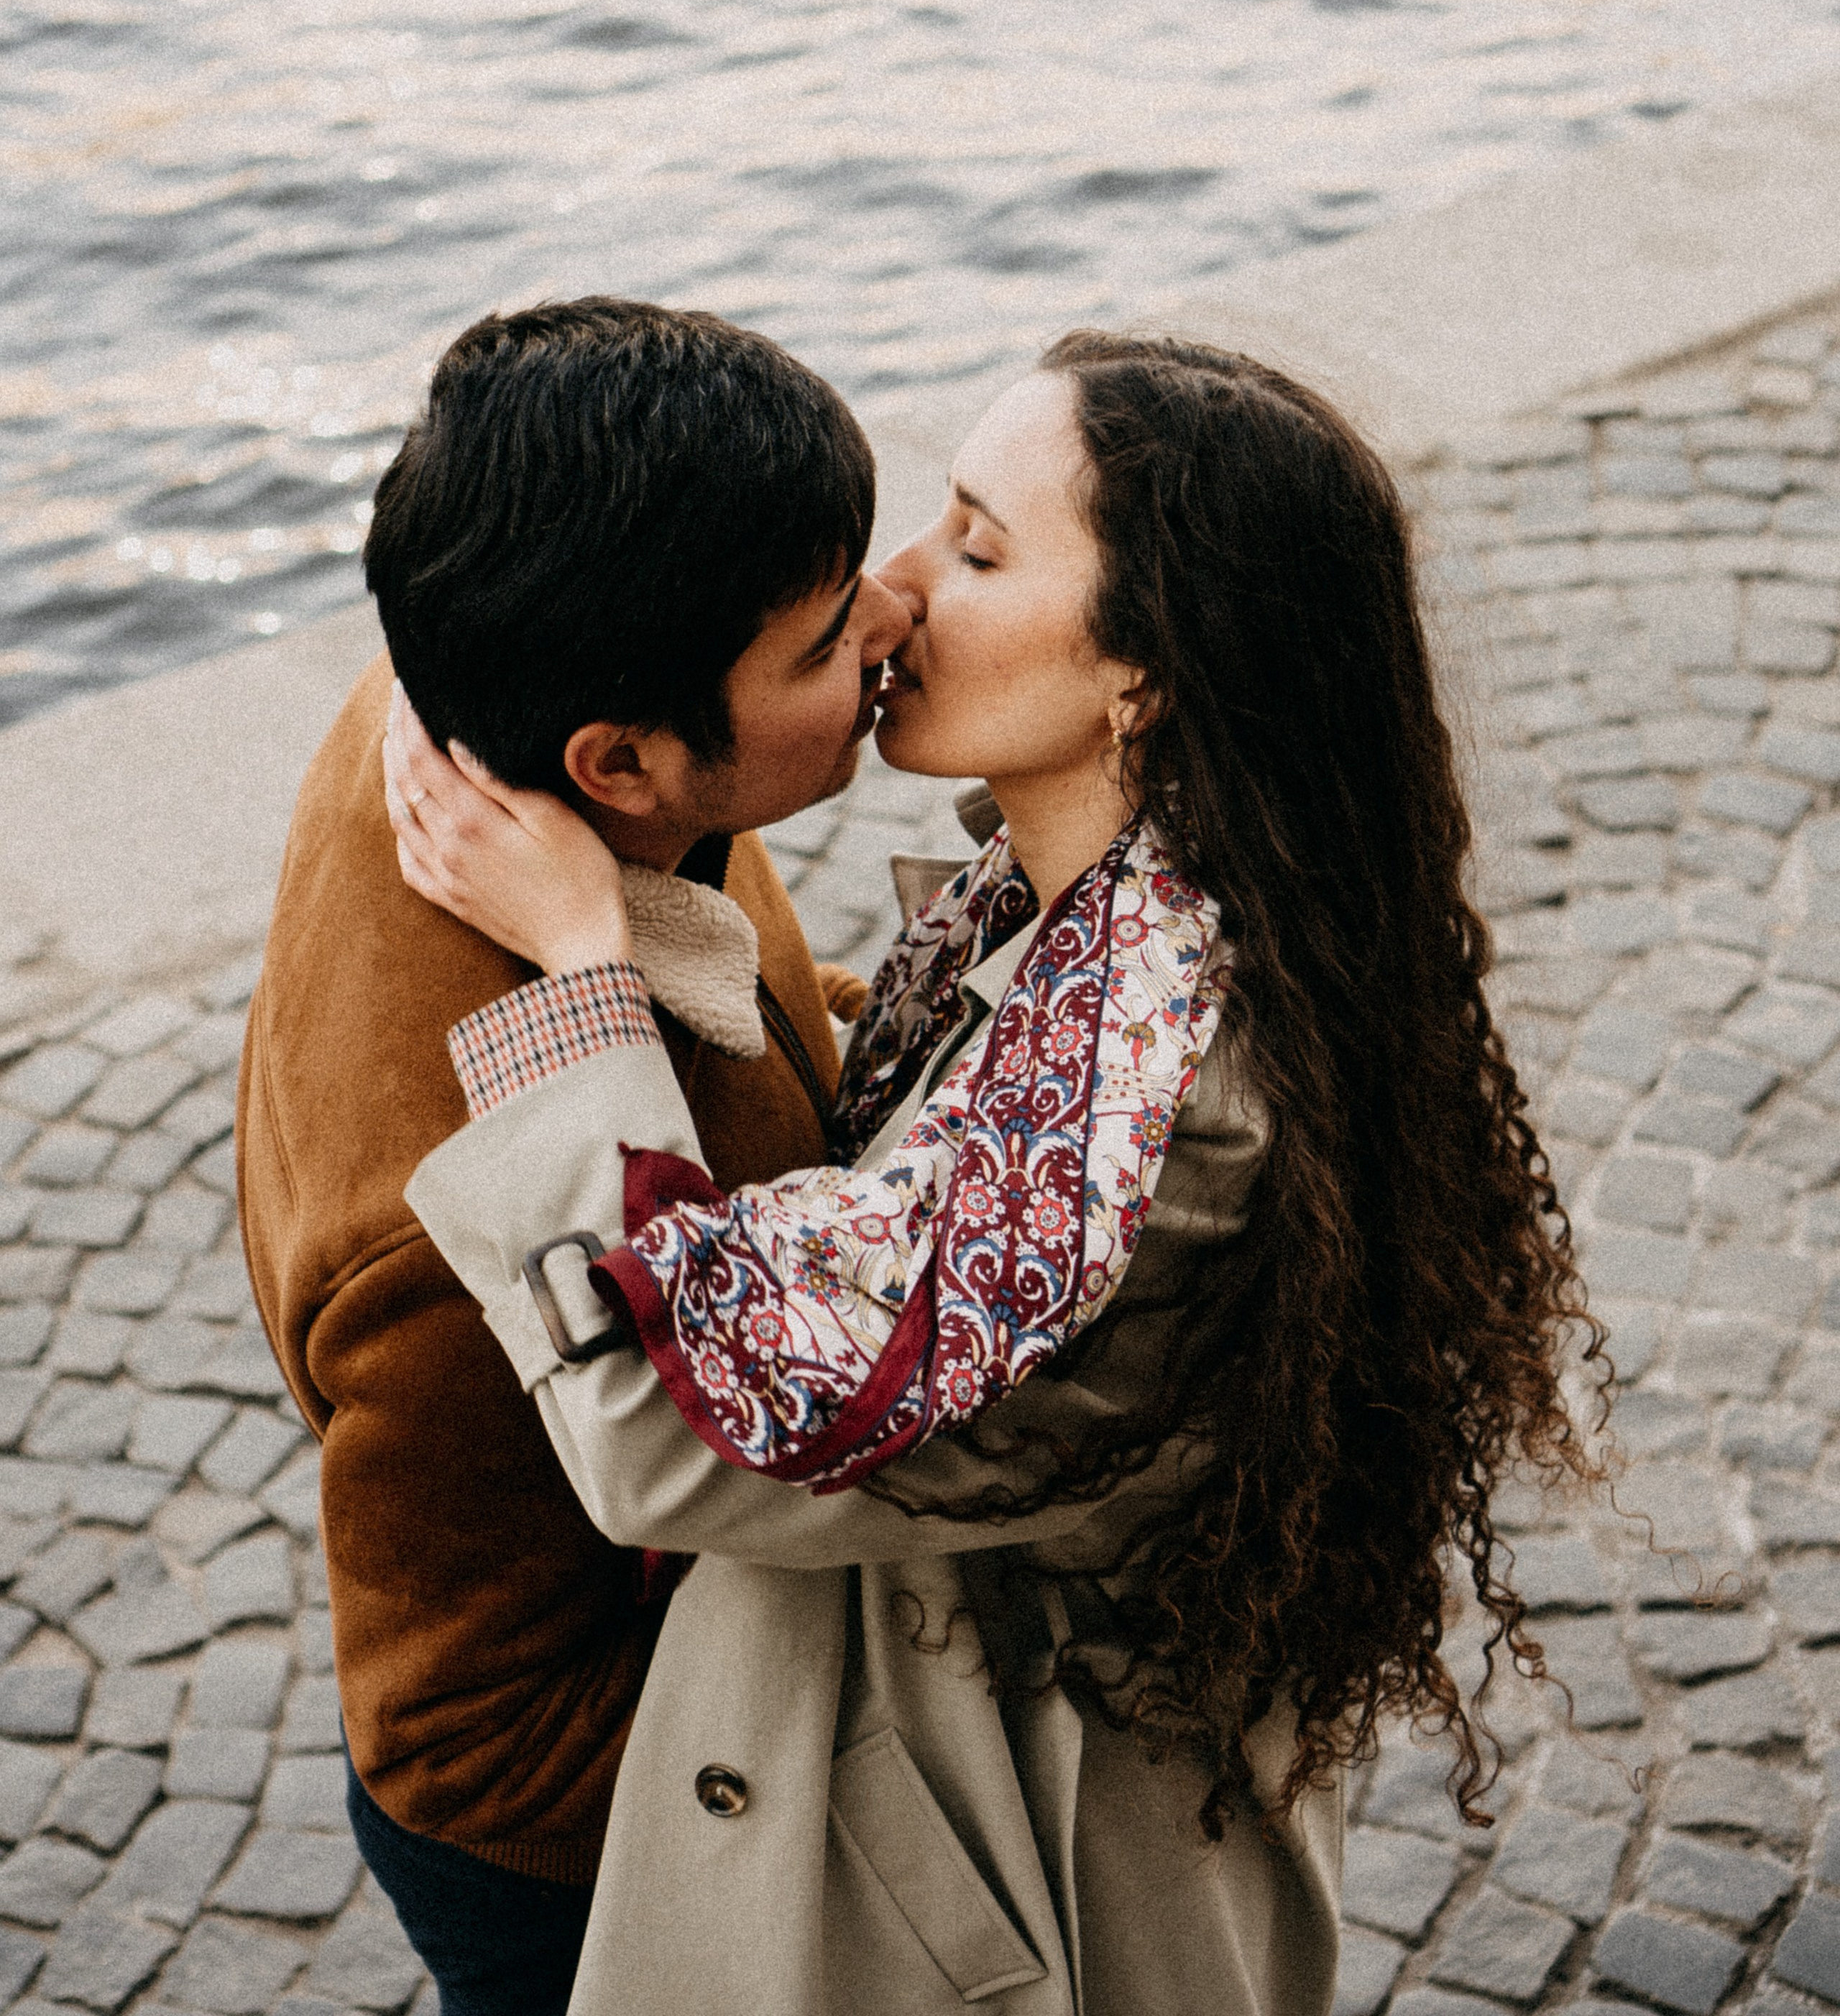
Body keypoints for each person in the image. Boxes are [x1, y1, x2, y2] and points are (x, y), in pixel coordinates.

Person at [393, 329, 1604, 2016]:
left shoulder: (1166, 1097)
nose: (892, 592)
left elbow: (676, 1443)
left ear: (1147, 671)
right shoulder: (1092, 917)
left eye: (974, 545)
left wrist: (586, 980)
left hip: (1009, 1910)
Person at [236, 298, 911, 2016]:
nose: (896, 626)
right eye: (830, 640)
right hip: (568, 1848)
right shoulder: (455, 1230)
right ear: (623, 762)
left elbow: (753, 1016)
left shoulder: (494, 684)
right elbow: (475, 1721)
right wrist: (825, 1831)